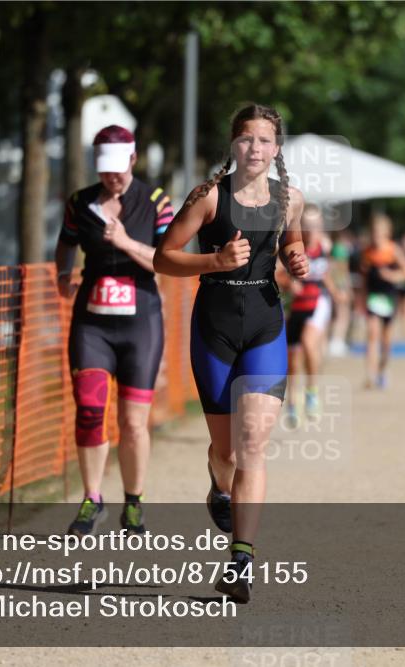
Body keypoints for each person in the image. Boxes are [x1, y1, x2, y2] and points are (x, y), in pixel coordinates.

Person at [154, 104, 308, 603]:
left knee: (254, 446)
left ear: (276, 149)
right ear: (233, 144)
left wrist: (294, 256)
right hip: (214, 328)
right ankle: (219, 486)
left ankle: (240, 562)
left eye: (265, 141)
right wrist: (215, 260)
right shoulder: (207, 199)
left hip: (264, 324)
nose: (255, 149)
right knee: (227, 452)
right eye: (247, 140)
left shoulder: (290, 199)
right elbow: (164, 257)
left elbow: (292, 239)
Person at [55, 125, 173, 537]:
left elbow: (166, 260)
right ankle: (92, 499)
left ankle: (134, 501)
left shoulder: (156, 201)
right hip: (93, 323)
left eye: (119, 169)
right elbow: (66, 241)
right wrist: (63, 272)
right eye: (104, 169)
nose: (112, 177)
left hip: (141, 323)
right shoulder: (79, 202)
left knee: (133, 421)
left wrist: (124, 242)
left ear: (133, 160)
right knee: (89, 410)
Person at [282, 204, 337, 426]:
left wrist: (336, 292)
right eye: (307, 225)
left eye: (317, 225)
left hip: (318, 301)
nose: (312, 230)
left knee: (308, 342)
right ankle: (293, 405)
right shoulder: (292, 247)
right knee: (293, 361)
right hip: (296, 306)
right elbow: (277, 273)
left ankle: (312, 393)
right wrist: (288, 283)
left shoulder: (325, 245)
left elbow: (326, 273)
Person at [360, 214, 405, 389]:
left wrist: (393, 276)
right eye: (374, 232)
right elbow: (364, 277)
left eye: (379, 232)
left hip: (389, 299)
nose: (376, 235)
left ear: (387, 233)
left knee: (386, 341)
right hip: (373, 298)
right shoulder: (367, 252)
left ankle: (382, 370)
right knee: (372, 334)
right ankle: (370, 375)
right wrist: (361, 297)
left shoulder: (393, 250)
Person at [327, 229, 354, 357]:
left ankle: (335, 341)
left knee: (337, 314)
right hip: (340, 283)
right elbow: (343, 268)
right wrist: (347, 287)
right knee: (342, 314)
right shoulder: (340, 248)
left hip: (337, 283)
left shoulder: (334, 247)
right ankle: (337, 341)